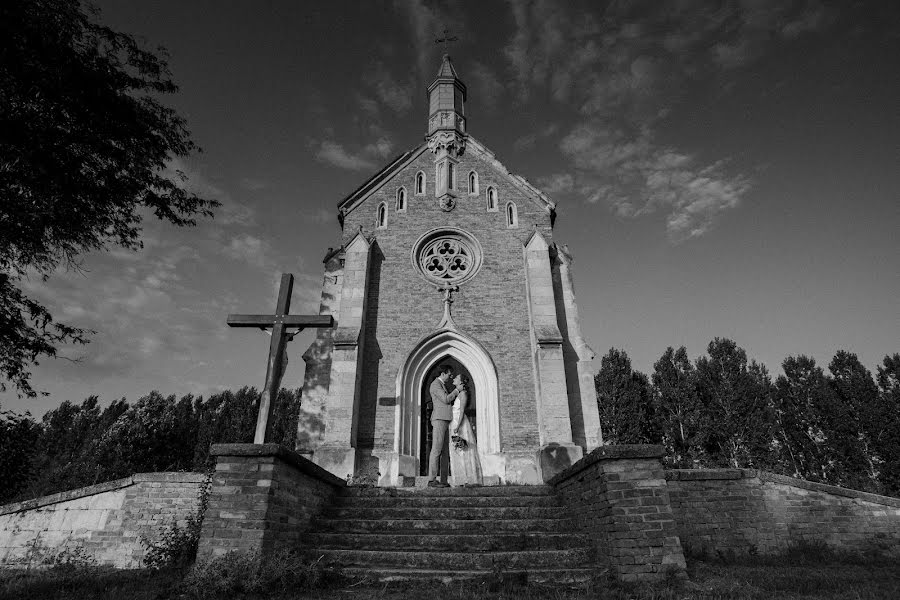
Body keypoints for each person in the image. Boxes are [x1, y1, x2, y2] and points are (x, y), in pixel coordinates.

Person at [427, 364, 462, 488]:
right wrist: (457, 390)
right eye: (449, 374)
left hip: (446, 419)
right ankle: (431, 480)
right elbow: (446, 399)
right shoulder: (435, 385)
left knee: (445, 452)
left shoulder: (442, 385)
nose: (450, 376)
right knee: (436, 449)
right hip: (439, 419)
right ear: (443, 374)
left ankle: (443, 480)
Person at [449, 374, 483, 486]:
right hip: (454, 422)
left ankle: (468, 479)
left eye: (456, 378)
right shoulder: (459, 393)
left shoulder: (463, 394)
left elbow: (462, 411)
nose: (453, 379)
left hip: (459, 424)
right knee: (457, 450)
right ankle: (460, 478)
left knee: (463, 449)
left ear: (461, 382)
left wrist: (457, 426)